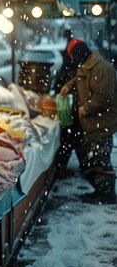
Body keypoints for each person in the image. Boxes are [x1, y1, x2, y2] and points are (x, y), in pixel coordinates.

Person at [60, 39, 117, 204]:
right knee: (92, 160)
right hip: (92, 123)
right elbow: (80, 79)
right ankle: (100, 191)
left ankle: (107, 196)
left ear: (79, 53)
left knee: (101, 161)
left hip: (103, 122)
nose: (72, 60)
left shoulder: (102, 68)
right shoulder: (87, 64)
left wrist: (86, 108)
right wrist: (68, 86)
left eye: (73, 56)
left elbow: (104, 97)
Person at [52, 30, 82, 179]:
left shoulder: (68, 69)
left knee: (68, 140)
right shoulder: (76, 70)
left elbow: (57, 86)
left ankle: (62, 167)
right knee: (72, 140)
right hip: (71, 109)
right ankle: (65, 167)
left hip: (68, 109)